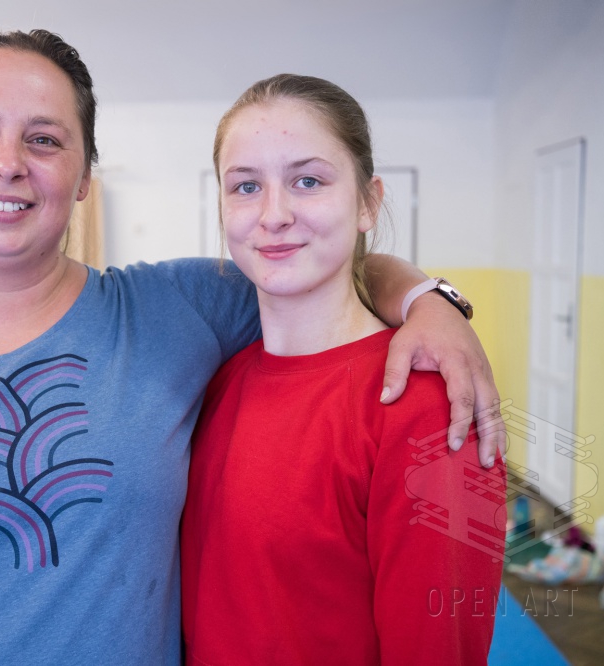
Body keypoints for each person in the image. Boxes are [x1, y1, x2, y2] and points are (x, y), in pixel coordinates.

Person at [0, 30, 502, 664]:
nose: (7, 162)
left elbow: (319, 268)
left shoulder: (181, 312)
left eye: (44, 139)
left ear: (84, 179)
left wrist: (432, 303)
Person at [179, 74, 506, 665]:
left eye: (308, 181)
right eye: (246, 186)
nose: (273, 215)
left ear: (367, 203)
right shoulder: (221, 379)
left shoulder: (425, 404)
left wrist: (434, 302)